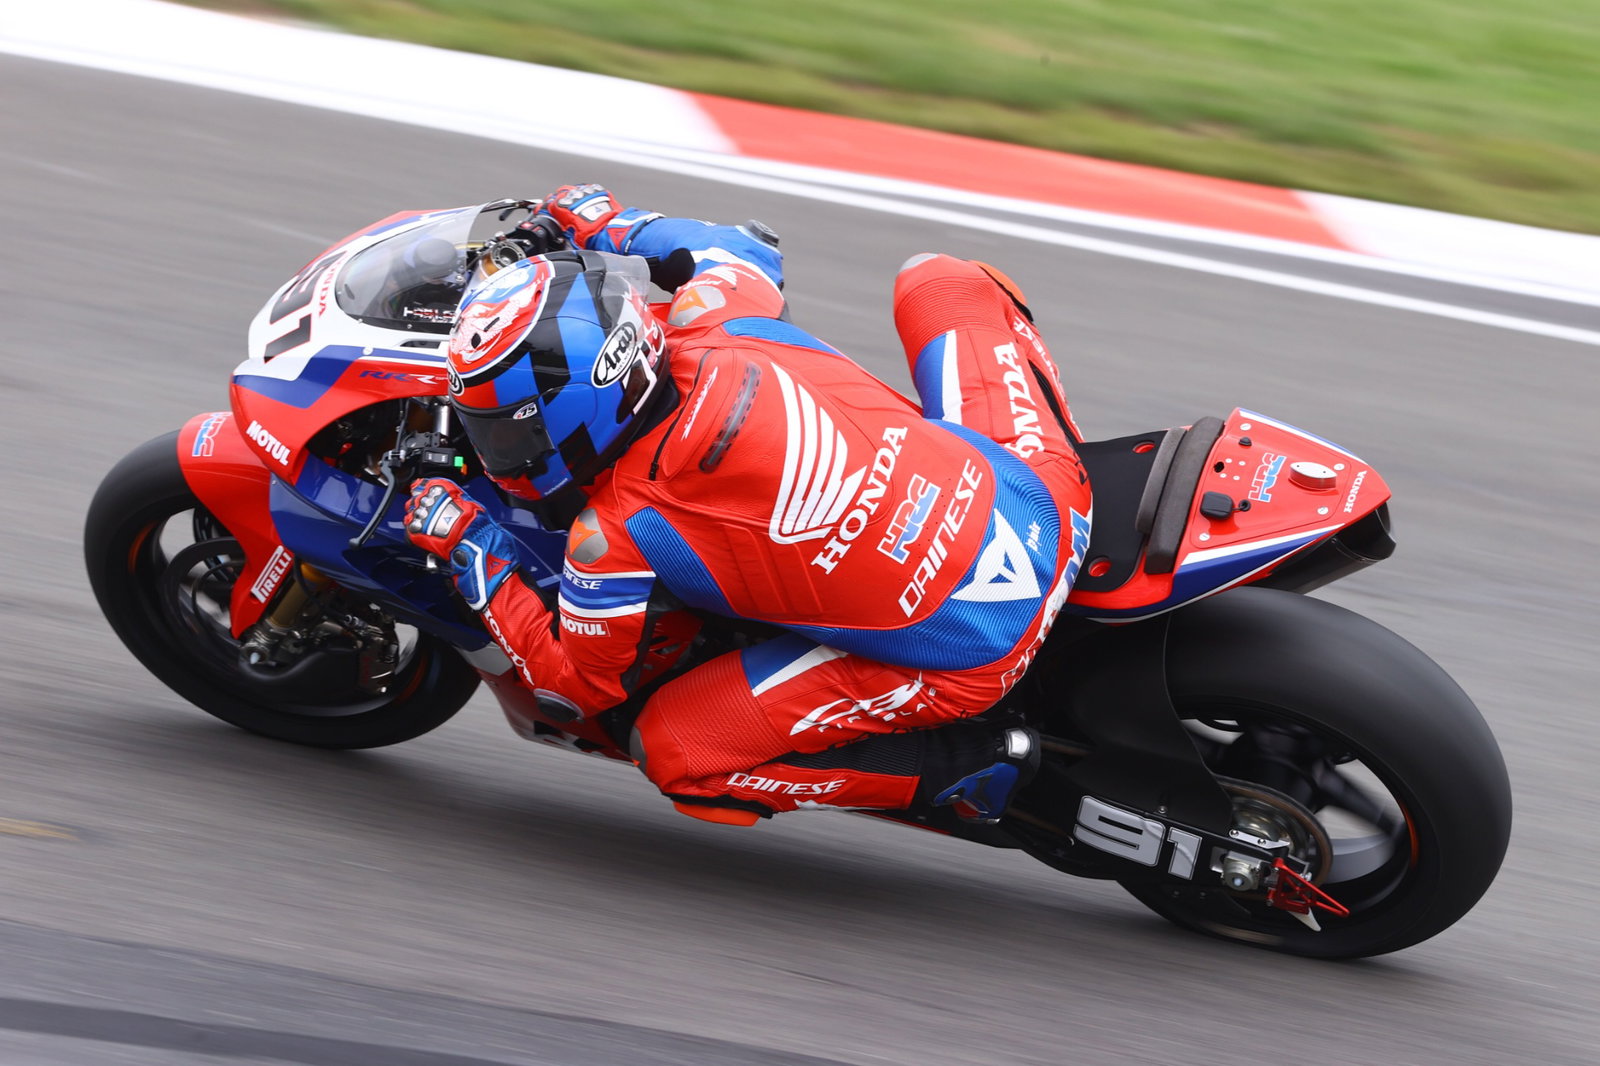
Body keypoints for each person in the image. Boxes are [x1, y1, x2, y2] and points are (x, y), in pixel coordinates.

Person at [404, 184, 1094, 826]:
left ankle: (968, 767)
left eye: (503, 427)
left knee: (674, 750)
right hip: (1050, 500)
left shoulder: (614, 534)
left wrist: (471, 547)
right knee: (940, 280)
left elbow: (579, 686)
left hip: (974, 652)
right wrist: (608, 222)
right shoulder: (719, 320)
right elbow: (743, 248)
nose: (487, 442)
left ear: (578, 411)